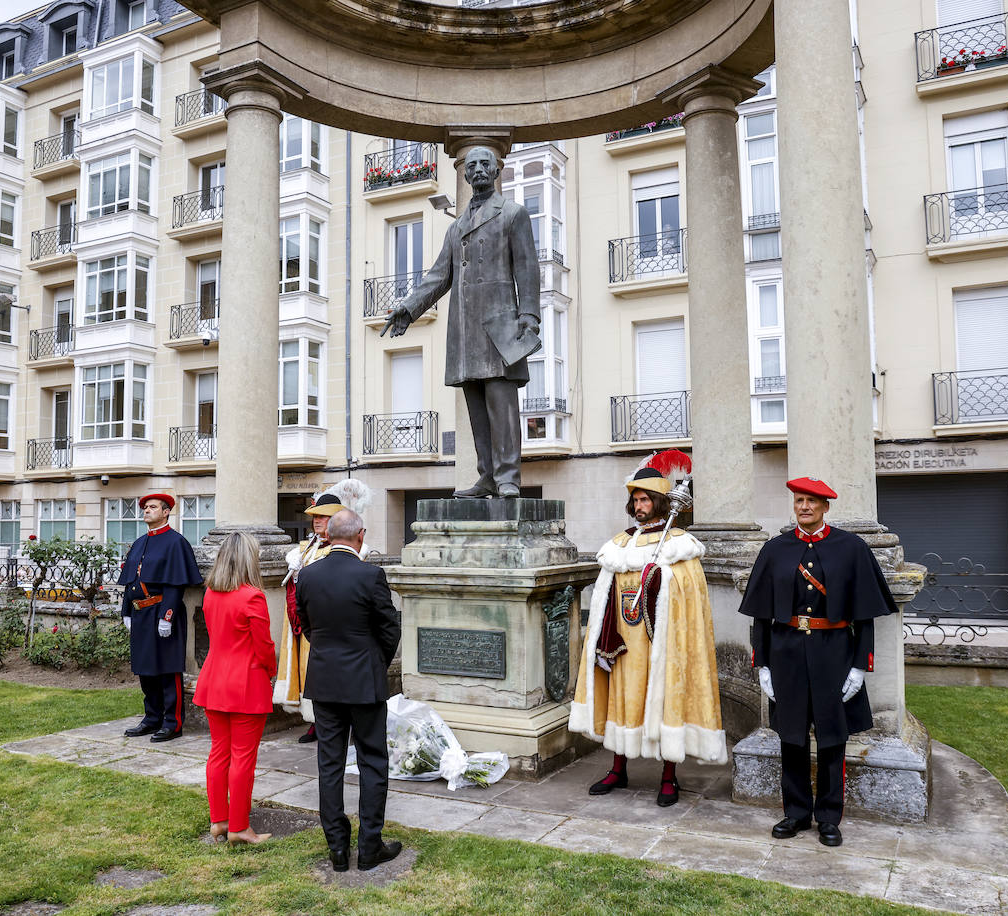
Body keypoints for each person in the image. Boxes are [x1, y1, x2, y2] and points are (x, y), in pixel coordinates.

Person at [737, 477, 898, 847]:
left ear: (826, 507)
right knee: (790, 737)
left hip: (834, 651)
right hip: (786, 651)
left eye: (812, 501)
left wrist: (860, 666)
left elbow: (865, 616)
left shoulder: (851, 547)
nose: (804, 507)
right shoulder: (775, 549)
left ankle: (828, 816)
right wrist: (762, 663)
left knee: (832, 739)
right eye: (799, 500)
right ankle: (795, 813)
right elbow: (760, 615)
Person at [568, 450, 726, 807]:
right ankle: (617, 767)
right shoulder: (620, 544)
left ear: (658, 502)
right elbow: (607, 594)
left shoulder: (678, 545)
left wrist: (661, 577)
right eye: (634, 500)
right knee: (622, 703)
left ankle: (669, 777)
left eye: (644, 499)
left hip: (663, 642)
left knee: (665, 702)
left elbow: (687, 596)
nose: (638, 506)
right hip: (623, 642)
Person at [382, 145, 541, 499]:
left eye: (486, 164)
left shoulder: (513, 214)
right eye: (473, 165)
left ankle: (508, 476)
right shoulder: (457, 228)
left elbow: (527, 269)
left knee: (503, 408)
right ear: (465, 174)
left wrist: (529, 317)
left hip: (501, 329)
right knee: (477, 412)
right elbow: (439, 276)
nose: (480, 169)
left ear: (497, 171)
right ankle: (487, 476)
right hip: (466, 332)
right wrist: (408, 308)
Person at [296, 508, 402, 872]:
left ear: (328, 536)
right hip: (363, 681)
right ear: (361, 535)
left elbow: (307, 625)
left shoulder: (307, 576)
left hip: (325, 680)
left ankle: (337, 848)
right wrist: (374, 662)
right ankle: (369, 845)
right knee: (373, 760)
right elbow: (390, 630)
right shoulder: (371, 575)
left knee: (330, 763)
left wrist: (328, 653)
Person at [193, 531, 278, 846]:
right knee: (243, 758)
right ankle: (240, 827)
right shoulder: (252, 596)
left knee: (218, 754)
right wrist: (272, 671)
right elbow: (264, 646)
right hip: (245, 683)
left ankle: (220, 821)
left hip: (214, 678)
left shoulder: (211, 594)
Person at [275, 478, 373, 744]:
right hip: (302, 615)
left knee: (320, 671)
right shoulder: (307, 547)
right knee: (304, 669)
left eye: (323, 517)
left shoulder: (350, 548)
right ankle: (314, 720)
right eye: (315, 516)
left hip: (326, 619)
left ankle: (325, 722)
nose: (317, 521)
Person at [118, 493, 203, 742]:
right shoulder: (140, 542)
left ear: (166, 512)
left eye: (152, 507)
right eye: (145, 507)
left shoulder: (175, 542)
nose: (146, 510)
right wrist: (126, 611)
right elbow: (131, 580)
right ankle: (151, 718)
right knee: (146, 670)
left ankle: (172, 722)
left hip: (162, 613)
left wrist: (167, 616)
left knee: (167, 670)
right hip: (140, 613)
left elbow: (175, 584)